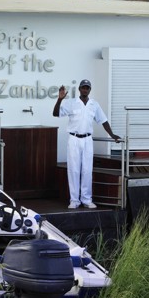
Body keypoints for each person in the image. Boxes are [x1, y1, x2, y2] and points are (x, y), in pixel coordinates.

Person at [53, 79, 121, 209]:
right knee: (73, 170)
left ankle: (86, 199)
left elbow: (103, 120)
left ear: (90, 90)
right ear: (79, 89)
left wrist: (112, 135)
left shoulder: (94, 105)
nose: (85, 90)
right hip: (74, 139)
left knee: (87, 170)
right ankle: (74, 200)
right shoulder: (71, 103)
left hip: (87, 140)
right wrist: (60, 99)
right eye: (83, 88)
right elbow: (56, 113)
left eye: (87, 88)